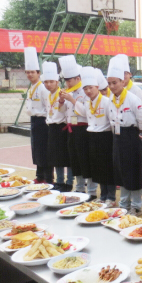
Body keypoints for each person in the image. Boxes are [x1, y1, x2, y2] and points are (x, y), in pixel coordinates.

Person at [106, 56, 142, 216]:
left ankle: (136, 205)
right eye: (109, 83)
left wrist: (137, 133)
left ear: (123, 82)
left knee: (133, 171)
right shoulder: (110, 100)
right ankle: (124, 204)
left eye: (115, 83)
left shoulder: (134, 99)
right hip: (117, 137)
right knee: (120, 170)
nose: (112, 86)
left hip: (131, 137)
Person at [74, 67, 116, 206]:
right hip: (92, 136)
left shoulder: (106, 101)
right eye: (85, 88)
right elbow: (84, 114)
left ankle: (111, 197)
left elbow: (112, 120)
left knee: (108, 168)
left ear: (97, 87)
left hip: (105, 137)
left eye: (91, 88)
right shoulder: (87, 102)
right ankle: (103, 196)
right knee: (98, 168)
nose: (88, 91)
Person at [58, 55, 97, 199]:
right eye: (66, 80)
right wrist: (61, 101)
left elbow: (87, 112)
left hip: (83, 129)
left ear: (78, 78)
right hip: (71, 128)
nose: (67, 83)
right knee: (75, 160)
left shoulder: (84, 91)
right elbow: (62, 112)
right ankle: (79, 187)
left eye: (70, 80)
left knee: (87, 159)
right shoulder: (68, 91)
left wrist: (72, 100)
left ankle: (92, 190)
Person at [41, 61, 73, 192]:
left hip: (63, 128)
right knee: (56, 157)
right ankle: (59, 181)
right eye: (46, 82)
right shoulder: (48, 95)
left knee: (67, 157)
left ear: (57, 82)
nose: (48, 84)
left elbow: (64, 111)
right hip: (52, 128)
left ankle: (69, 182)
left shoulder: (62, 94)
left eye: (51, 82)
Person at [24, 47, 52, 184]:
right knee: (36, 149)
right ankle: (39, 175)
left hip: (43, 121)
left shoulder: (42, 88)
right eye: (28, 72)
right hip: (34, 120)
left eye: (32, 72)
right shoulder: (31, 87)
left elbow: (48, 106)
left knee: (44, 150)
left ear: (38, 73)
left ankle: (47, 177)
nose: (30, 74)